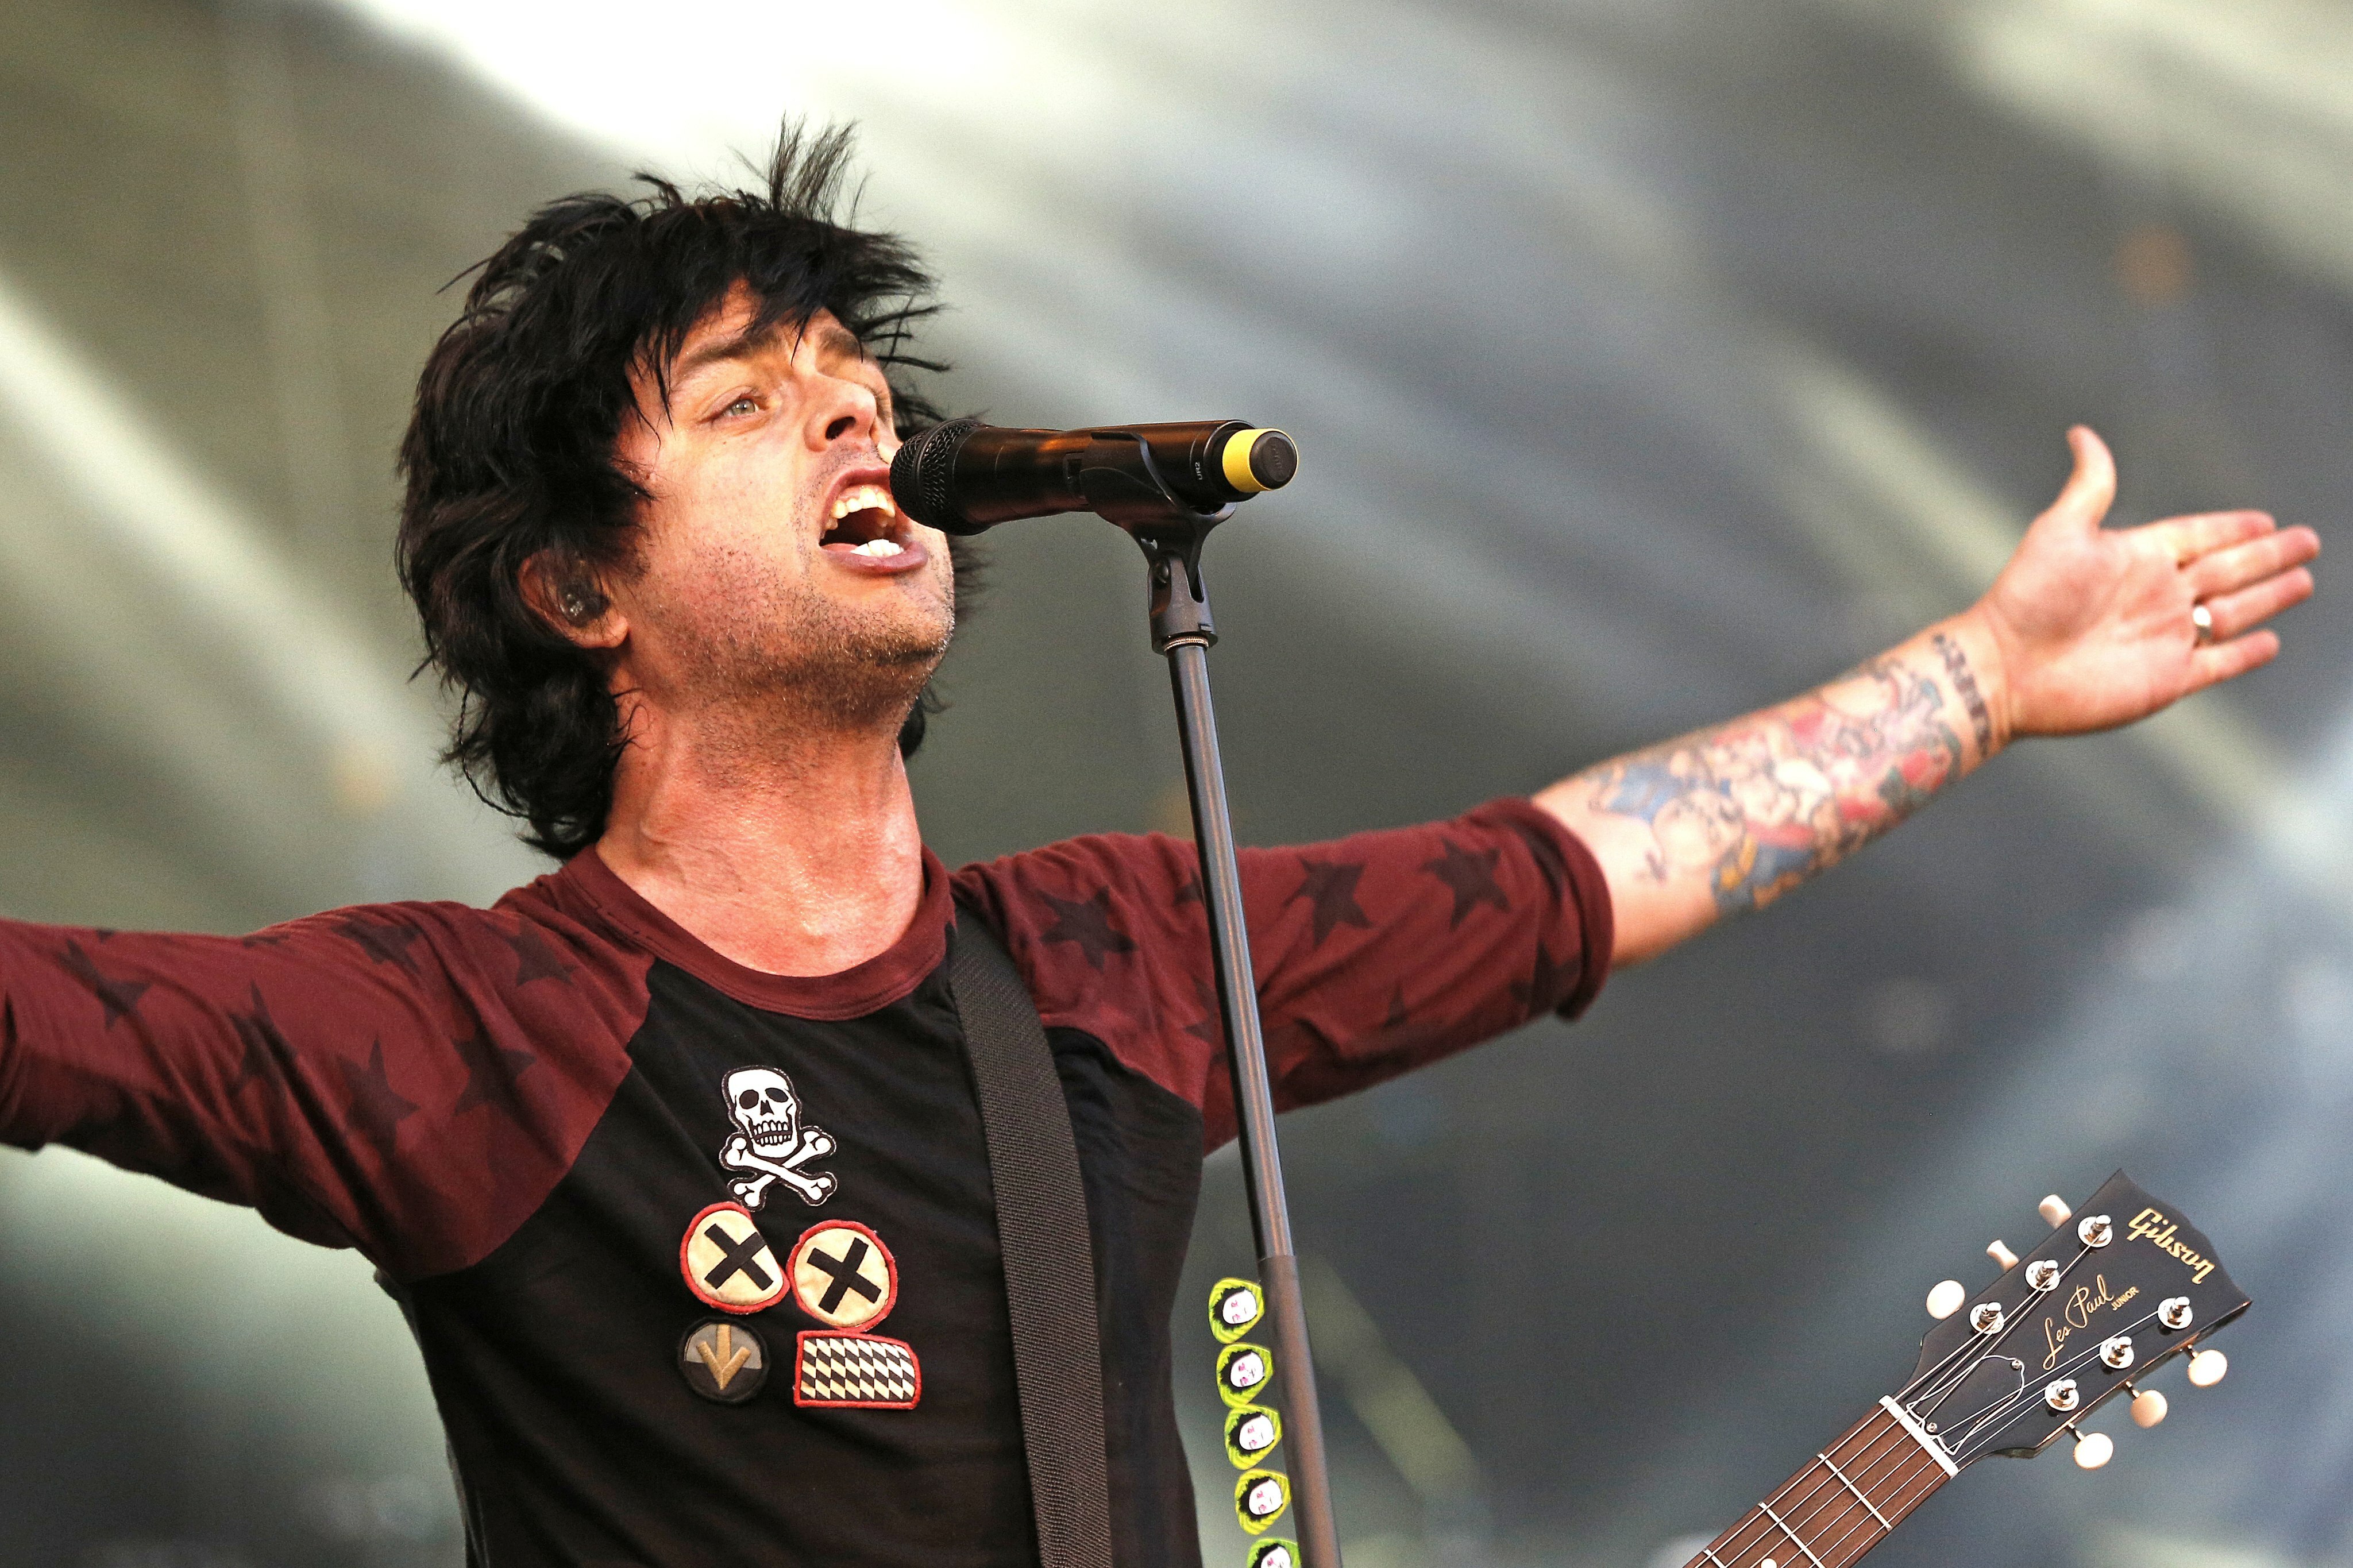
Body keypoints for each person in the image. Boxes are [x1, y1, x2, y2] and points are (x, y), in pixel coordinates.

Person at [0, 128, 2317, 1568]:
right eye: (748, 401)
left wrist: (1986, 671)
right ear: (576, 587)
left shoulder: (1107, 958)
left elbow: (1563, 874)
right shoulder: (469, 1032)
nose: (854, 415)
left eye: (859, 386)